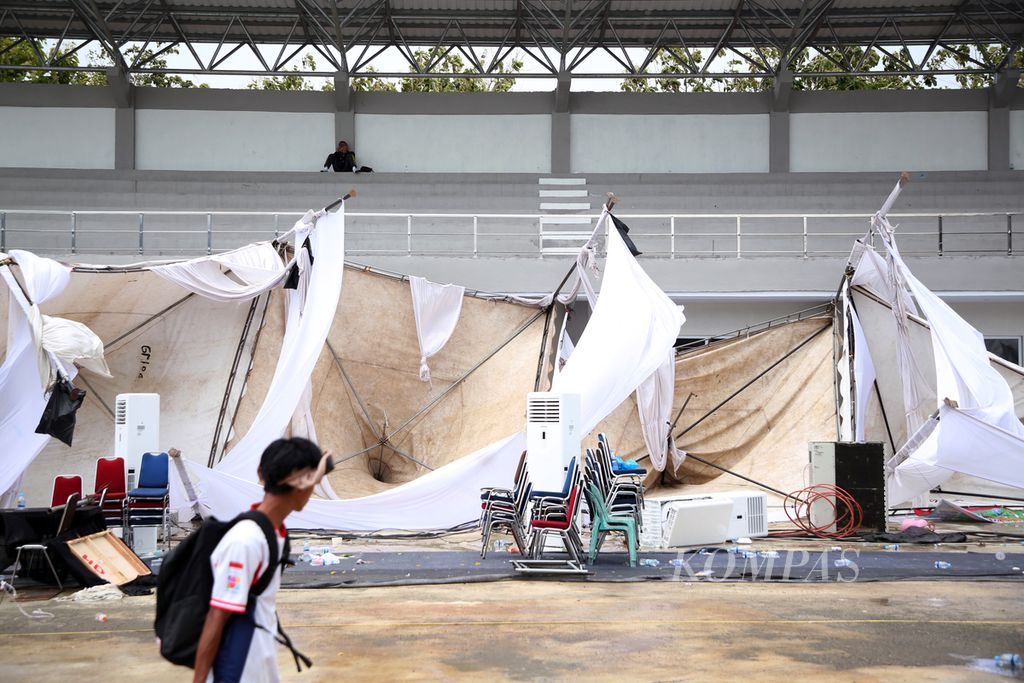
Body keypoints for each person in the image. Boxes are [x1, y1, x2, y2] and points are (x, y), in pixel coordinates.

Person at [192, 438, 332, 683]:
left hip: (261, 658)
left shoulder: (275, 532)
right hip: (239, 666)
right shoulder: (246, 541)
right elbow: (218, 616)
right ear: (301, 482)